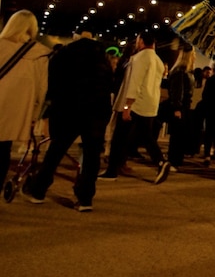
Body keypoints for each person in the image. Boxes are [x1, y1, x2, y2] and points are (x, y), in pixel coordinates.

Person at [25, 29, 114, 211]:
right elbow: (108, 85)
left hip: (69, 108)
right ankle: (85, 198)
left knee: (56, 151)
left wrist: (48, 112)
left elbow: (53, 84)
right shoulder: (102, 58)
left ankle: (38, 190)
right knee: (91, 156)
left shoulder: (65, 54)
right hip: (96, 110)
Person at [99, 30, 171, 184]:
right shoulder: (158, 60)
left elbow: (134, 82)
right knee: (146, 136)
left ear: (141, 42)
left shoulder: (139, 58)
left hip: (135, 104)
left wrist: (127, 106)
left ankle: (112, 170)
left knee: (119, 137)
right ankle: (160, 161)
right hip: (149, 104)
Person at [0, 10, 52, 182]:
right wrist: (35, 114)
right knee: (3, 149)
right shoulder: (39, 53)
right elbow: (42, 88)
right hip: (15, 112)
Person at [165, 44, 196, 170]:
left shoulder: (184, 71)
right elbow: (178, 91)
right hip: (181, 106)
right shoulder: (180, 71)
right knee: (177, 135)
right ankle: (173, 160)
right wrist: (177, 108)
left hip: (184, 105)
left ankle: (176, 159)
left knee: (179, 134)